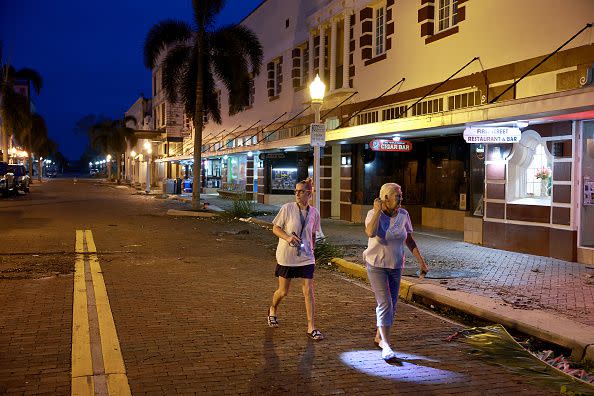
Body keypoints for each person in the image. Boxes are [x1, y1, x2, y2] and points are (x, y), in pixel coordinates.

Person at [364, 182, 429, 360]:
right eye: (397, 196)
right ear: (385, 198)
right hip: (376, 265)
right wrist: (378, 210)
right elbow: (370, 232)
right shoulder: (372, 214)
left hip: (396, 265)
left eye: (401, 195)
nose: (401, 199)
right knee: (385, 303)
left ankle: (379, 336)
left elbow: (409, 239)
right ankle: (386, 345)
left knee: (391, 304)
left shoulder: (404, 214)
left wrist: (421, 262)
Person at [267, 178, 324, 341]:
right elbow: (275, 228)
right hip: (287, 256)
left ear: (309, 194)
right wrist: (287, 237)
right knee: (283, 291)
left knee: (308, 291)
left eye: (301, 191)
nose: (297, 194)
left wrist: (312, 250)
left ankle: (311, 327)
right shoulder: (287, 208)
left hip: (306, 257)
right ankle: (272, 309)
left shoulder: (314, 212)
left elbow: (313, 233)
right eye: (296, 191)